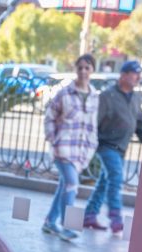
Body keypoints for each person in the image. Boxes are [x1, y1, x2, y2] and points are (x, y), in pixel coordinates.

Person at [83, 60, 142, 233]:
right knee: (116, 178)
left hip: (121, 148)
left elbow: (140, 123)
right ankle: (116, 218)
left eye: (139, 74)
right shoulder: (107, 96)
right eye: (135, 73)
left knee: (104, 182)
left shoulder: (135, 98)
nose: (138, 77)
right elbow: (94, 122)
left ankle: (89, 215)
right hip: (106, 145)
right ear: (123, 75)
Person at [42, 54, 99, 242]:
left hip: (81, 152)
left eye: (87, 68)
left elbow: (92, 125)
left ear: (92, 70)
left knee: (64, 185)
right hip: (63, 148)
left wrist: (92, 145)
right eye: (80, 67)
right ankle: (67, 226)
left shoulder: (94, 96)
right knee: (72, 184)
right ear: (75, 69)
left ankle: (50, 222)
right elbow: (49, 116)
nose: (83, 71)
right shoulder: (64, 93)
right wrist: (53, 138)